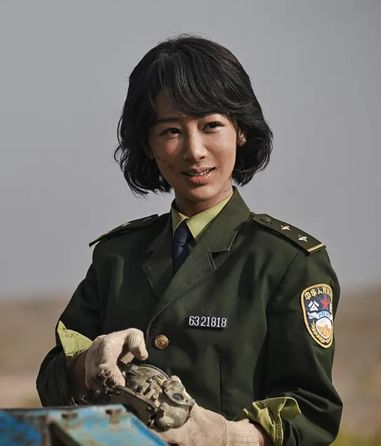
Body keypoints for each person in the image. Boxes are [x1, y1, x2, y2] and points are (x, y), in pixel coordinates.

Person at [36, 36, 342, 446]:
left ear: (241, 131)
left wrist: (225, 436)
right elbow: (52, 382)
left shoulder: (287, 262)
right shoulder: (116, 257)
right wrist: (90, 363)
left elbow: (312, 414)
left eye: (211, 125)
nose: (194, 151)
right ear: (148, 144)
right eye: (171, 131)